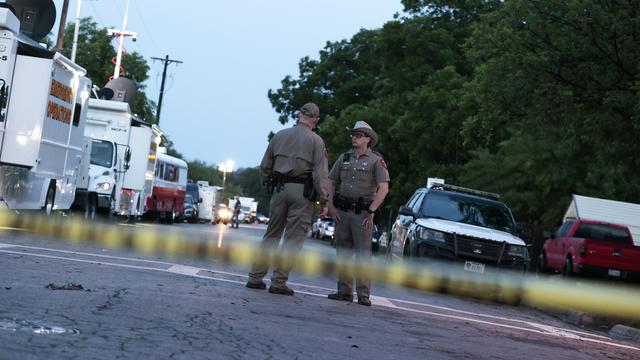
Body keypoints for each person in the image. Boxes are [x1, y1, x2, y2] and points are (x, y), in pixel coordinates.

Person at [246, 102, 329, 296]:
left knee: (271, 234)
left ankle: (255, 277)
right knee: (293, 239)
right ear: (315, 120)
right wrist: (324, 200)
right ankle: (278, 282)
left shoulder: (280, 135)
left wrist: (269, 183)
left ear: (299, 115)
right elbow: (320, 175)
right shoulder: (317, 141)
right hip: (302, 192)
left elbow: (265, 166)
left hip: (280, 189)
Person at [326, 121, 390, 306]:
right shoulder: (344, 157)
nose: (354, 137)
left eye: (359, 135)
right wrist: (330, 206)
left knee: (363, 255)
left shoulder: (376, 160)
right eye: (353, 134)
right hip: (342, 212)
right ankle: (344, 291)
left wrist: (372, 211)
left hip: (362, 214)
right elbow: (331, 181)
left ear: (368, 139)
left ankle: (363, 295)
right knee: (343, 253)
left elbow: (384, 188)